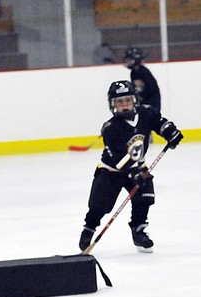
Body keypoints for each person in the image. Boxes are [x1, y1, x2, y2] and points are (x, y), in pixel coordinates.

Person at [78, 80, 183, 253]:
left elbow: (158, 122)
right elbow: (120, 159)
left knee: (145, 196)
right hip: (111, 171)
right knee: (100, 206)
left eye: (127, 100)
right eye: (119, 102)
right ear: (112, 105)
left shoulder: (146, 112)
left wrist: (169, 131)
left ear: (134, 100)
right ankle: (89, 229)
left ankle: (138, 230)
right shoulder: (110, 128)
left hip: (138, 167)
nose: (124, 105)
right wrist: (134, 173)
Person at [124, 46, 161, 112]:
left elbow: (151, 88)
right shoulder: (133, 73)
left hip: (151, 103)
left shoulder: (144, 71)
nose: (127, 61)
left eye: (129, 59)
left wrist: (142, 97)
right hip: (142, 103)